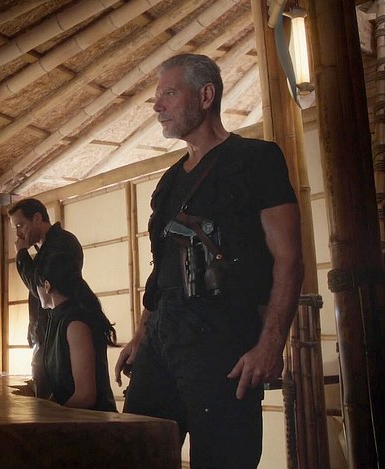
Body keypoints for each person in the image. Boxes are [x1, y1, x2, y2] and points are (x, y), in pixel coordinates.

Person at [114, 53, 304, 468]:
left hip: (225, 339)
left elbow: (289, 259)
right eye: (157, 97)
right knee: (135, 452)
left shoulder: (256, 159)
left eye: (168, 94)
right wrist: (142, 334)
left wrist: (271, 344)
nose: (157, 106)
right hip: (164, 336)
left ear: (205, 95)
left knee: (222, 460)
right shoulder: (169, 182)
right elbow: (163, 270)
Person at [8, 198, 116, 399]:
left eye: (20, 225)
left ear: (37, 218)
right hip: (47, 334)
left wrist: (22, 255)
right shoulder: (43, 251)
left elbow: (38, 287)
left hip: (62, 331)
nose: (18, 233)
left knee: (62, 397)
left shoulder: (63, 243)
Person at [33, 251, 117, 411]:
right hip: (71, 416)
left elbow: (85, 396)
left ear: (47, 286)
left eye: (37, 285)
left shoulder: (75, 324)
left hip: (92, 420)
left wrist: (50, 416)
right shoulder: (58, 318)